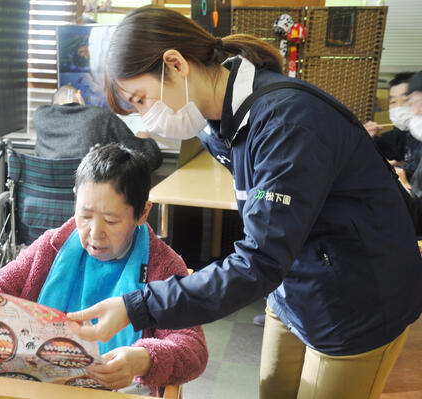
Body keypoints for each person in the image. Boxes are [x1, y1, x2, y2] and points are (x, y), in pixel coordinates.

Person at [66, 6, 422, 399]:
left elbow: (259, 260)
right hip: (295, 280)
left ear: (175, 64)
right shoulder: (213, 120)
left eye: (142, 99)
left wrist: (137, 307)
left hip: (356, 299)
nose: (147, 122)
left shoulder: (285, 123)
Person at [0, 143, 207, 395]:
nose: (94, 233)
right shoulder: (53, 246)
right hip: (43, 385)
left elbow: (193, 348)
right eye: (85, 216)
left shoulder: (164, 265)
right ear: (75, 200)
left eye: (111, 221)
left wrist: (144, 359)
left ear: (143, 213)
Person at [33, 84, 163, 171]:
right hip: (91, 204)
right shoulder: (101, 116)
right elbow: (149, 158)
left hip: (46, 204)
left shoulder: (40, 117)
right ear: (79, 94)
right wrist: (145, 139)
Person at [363, 72, 422, 181]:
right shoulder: (405, 133)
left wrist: (403, 172)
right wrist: (365, 137)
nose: (398, 107)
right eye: (393, 101)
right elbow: (382, 146)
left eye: (406, 100)